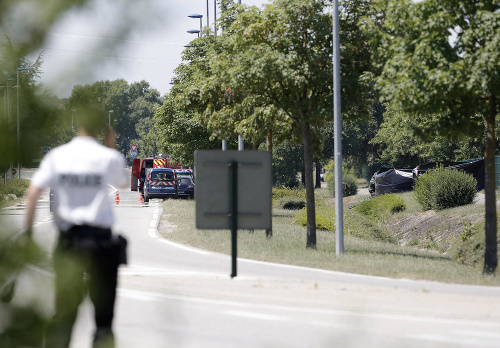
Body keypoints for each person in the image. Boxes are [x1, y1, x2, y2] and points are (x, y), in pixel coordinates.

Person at [24, 105, 129, 348]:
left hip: (69, 243)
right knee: (104, 321)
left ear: (78, 124)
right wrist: (110, 146)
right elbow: (123, 183)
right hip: (102, 244)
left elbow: (32, 194)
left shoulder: (57, 156)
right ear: (102, 129)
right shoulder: (108, 156)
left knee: (63, 316)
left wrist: (27, 237)